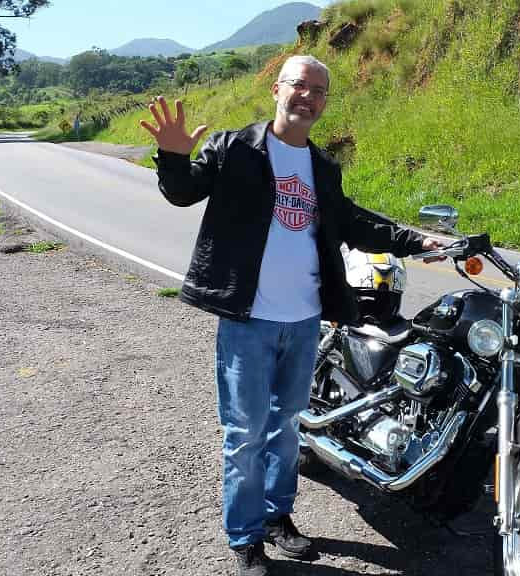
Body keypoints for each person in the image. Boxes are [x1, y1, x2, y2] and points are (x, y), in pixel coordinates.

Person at [141, 55, 445, 576]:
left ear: (324, 102)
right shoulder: (236, 147)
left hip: (304, 320)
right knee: (245, 433)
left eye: (319, 90)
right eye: (300, 85)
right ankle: (245, 537)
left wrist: (417, 240)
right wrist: (171, 158)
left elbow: (353, 222)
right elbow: (184, 191)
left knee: (286, 427)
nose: (308, 96)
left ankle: (278, 517)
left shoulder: (322, 168)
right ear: (277, 90)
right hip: (248, 319)